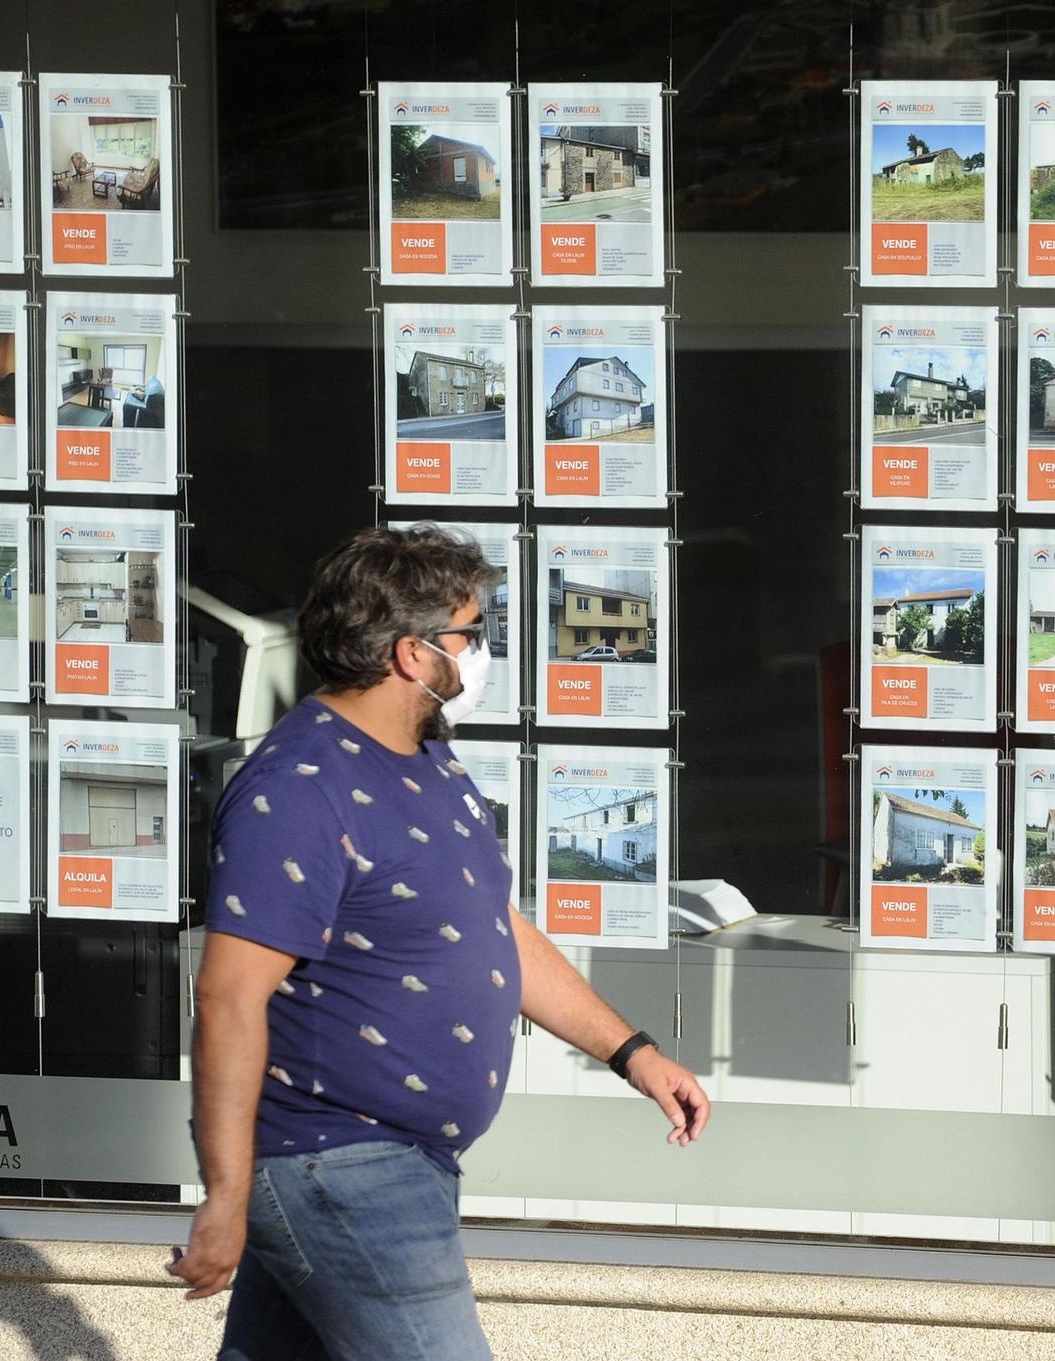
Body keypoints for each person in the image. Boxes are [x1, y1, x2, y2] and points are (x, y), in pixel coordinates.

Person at [169, 525, 710, 1359]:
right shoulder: (299, 787)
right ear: (412, 654)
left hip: (399, 1162)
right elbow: (229, 996)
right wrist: (226, 1194)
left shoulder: (429, 762)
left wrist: (633, 1051)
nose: (481, 653)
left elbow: (491, 927)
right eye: (470, 633)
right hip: (338, 1163)